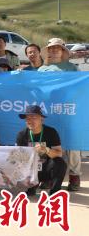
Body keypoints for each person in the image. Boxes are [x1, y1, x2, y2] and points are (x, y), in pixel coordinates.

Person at [37, 38, 80, 192]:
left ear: (63, 51)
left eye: (58, 48)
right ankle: (49, 176)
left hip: (68, 110)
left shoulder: (72, 68)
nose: (54, 50)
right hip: (48, 110)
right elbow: (36, 89)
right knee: (49, 143)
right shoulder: (42, 70)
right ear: (48, 51)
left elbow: (80, 88)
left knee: (72, 144)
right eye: (51, 48)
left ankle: (74, 175)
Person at [15, 105, 67, 195]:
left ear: (41, 119)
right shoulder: (21, 134)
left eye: (33, 118)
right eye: (27, 118)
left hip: (46, 169)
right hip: (30, 169)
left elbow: (59, 153)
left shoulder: (51, 132)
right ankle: (31, 185)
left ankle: (55, 192)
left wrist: (47, 150)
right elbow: (18, 158)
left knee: (60, 163)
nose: (30, 121)